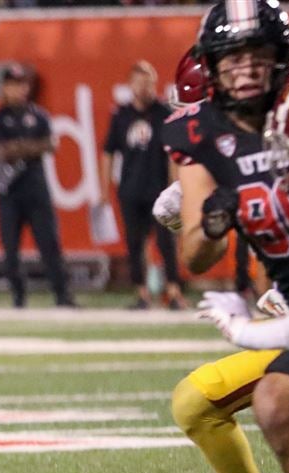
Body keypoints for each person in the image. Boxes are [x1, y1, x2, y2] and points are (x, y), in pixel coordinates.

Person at [159, 1, 289, 473]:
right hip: (288, 305)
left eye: (257, 58)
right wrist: (213, 216)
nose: (243, 72)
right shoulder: (201, 140)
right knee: (251, 401)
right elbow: (193, 251)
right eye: (229, 61)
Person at [0, 63, 76, 308]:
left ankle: (62, 294)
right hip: (9, 190)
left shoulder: (38, 115)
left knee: (49, 244)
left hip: (36, 188)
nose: (17, 90)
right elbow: (0, 151)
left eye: (21, 84)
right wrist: (30, 147)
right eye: (12, 85)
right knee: (10, 247)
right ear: (4, 88)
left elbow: (50, 145)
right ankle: (18, 296)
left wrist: (20, 148)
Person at [100, 60, 185, 310]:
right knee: (135, 244)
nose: (144, 88)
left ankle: (174, 291)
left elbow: (173, 154)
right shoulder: (121, 115)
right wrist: (105, 189)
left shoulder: (164, 113)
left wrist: (175, 186)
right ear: (130, 85)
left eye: (148, 83)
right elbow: (108, 152)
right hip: (130, 189)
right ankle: (143, 294)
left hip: (159, 189)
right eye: (139, 82)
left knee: (166, 243)